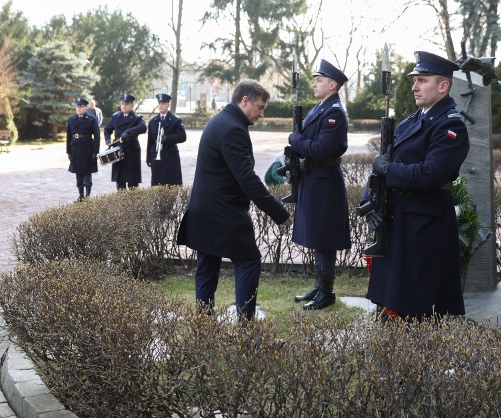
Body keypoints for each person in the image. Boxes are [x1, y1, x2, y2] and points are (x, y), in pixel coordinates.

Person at [361, 51, 470, 321]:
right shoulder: (414, 120)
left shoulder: (450, 127)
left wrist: (388, 169)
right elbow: (381, 164)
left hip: (424, 227)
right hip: (398, 221)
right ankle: (392, 353)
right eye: (414, 80)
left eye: (422, 80)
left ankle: (415, 358)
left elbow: (429, 174)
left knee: (418, 307)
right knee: (392, 301)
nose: (414, 86)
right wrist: (369, 203)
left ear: (443, 86)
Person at [176, 79, 293, 321]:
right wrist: (279, 213)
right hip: (223, 213)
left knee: (207, 268)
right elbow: (248, 180)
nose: (261, 114)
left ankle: (204, 324)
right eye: (260, 107)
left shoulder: (222, 120)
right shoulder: (233, 129)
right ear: (245, 100)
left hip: (205, 209)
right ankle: (246, 328)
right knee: (249, 261)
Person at [288, 59, 351, 310]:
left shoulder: (334, 111)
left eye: (320, 80)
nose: (314, 83)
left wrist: (295, 140)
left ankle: (327, 291)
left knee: (324, 237)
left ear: (333, 85)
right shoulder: (320, 108)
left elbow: (321, 149)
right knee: (317, 236)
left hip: (324, 180)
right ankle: (319, 285)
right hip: (313, 179)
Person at [103, 93, 147, 190]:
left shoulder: (137, 117)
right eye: (122, 103)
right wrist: (108, 139)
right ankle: (122, 203)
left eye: (127, 104)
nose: (124, 106)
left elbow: (143, 127)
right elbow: (108, 129)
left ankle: (134, 204)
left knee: (132, 183)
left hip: (131, 151)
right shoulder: (116, 116)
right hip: (118, 149)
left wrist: (128, 132)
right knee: (120, 181)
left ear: (132, 105)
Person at [146, 93, 187, 186]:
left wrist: (167, 138)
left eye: (163, 103)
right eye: (159, 103)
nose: (161, 105)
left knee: (171, 183)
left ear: (168, 104)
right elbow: (150, 141)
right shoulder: (153, 122)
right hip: (156, 156)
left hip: (170, 156)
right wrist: (148, 157)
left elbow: (182, 136)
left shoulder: (175, 120)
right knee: (157, 183)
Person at [67, 97, 101, 202]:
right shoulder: (72, 120)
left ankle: (88, 195)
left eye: (81, 107)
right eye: (77, 107)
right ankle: (81, 195)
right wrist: (68, 151)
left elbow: (97, 137)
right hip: (75, 149)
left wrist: (95, 152)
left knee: (87, 174)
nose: (78, 109)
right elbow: (68, 136)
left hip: (87, 149)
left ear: (86, 108)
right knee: (78, 173)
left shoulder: (91, 119)